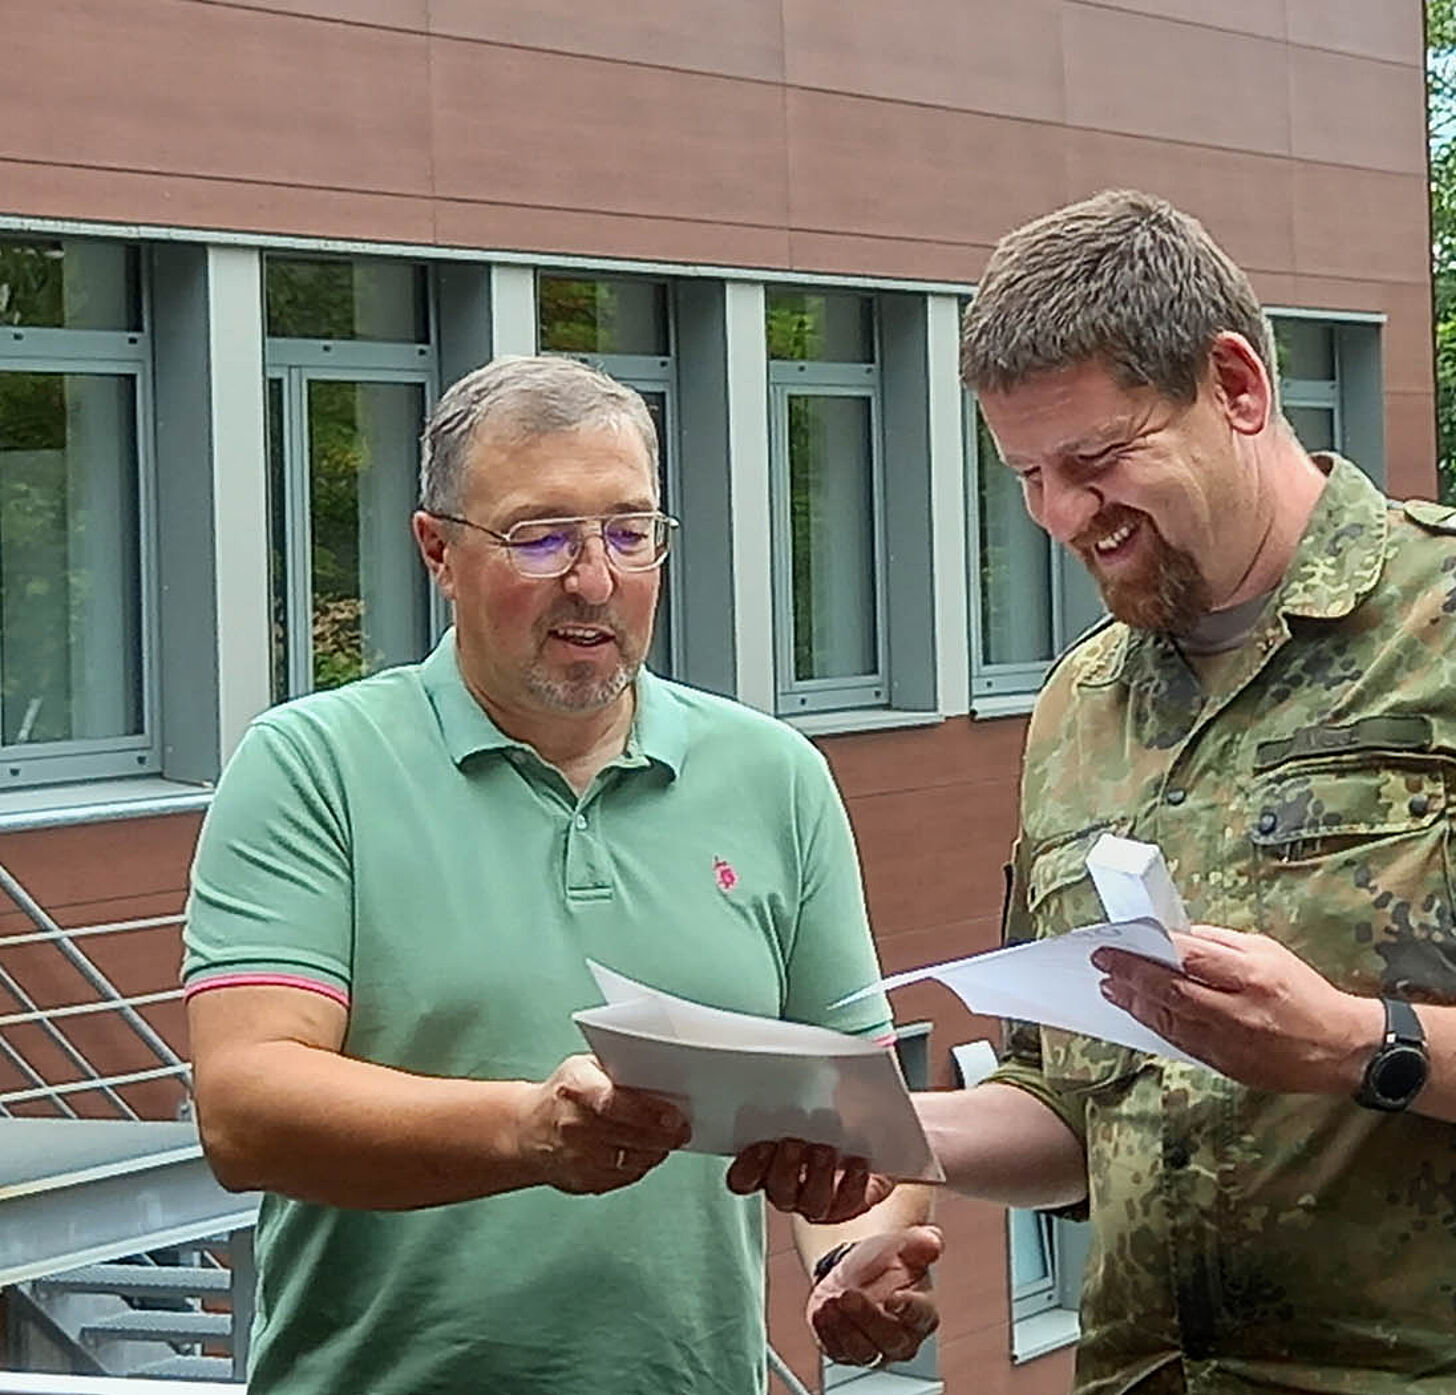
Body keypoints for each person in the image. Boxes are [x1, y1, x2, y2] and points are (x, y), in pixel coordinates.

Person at [890, 190, 1456, 1393]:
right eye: (1027, 475)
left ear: (1238, 387)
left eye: (1094, 462)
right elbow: (1074, 1109)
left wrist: (1363, 1044)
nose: (1061, 518)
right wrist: (885, 1140)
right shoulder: (1080, 703)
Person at [183, 354, 937, 1395]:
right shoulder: (312, 766)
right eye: (541, 535)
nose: (594, 578)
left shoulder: (776, 778)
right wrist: (527, 1135)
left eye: (630, 532)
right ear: (436, 552)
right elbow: (245, 1108)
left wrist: (856, 1256)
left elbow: (859, 1122)